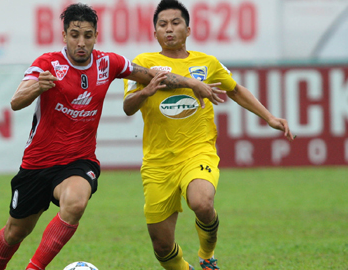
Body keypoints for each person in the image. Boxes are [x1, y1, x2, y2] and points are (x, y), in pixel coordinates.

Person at [0, 3, 224, 270]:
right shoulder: (47, 64)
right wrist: (36, 88)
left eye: (88, 35)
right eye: (75, 35)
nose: (81, 42)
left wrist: (192, 82)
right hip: (37, 164)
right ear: (64, 36)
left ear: (96, 36)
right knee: (14, 233)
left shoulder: (108, 62)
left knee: (76, 202)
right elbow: (16, 102)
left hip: (79, 161)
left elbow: (151, 76)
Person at [123, 0, 296, 270]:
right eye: (162, 24)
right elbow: (128, 107)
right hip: (158, 163)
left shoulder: (207, 62)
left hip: (197, 151)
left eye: (175, 23)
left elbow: (235, 90)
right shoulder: (144, 63)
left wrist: (270, 117)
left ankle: (207, 254)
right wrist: (149, 90)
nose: (169, 29)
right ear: (154, 33)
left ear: (188, 29)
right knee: (162, 248)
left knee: (201, 202)